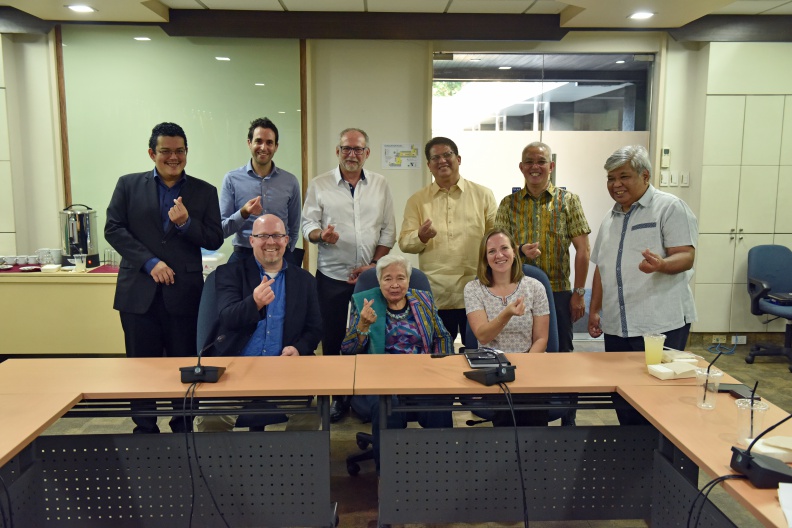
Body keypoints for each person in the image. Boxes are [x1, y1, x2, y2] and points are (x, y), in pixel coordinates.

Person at [105, 122, 223, 434]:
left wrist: (186, 224)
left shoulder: (204, 191)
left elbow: (214, 238)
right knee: (140, 366)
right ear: (152, 153)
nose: (174, 157)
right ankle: (144, 428)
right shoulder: (128, 185)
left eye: (180, 151)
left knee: (184, 365)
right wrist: (150, 262)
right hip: (137, 293)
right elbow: (113, 228)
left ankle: (182, 425)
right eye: (166, 151)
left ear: (187, 153)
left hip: (184, 295)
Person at [587, 145, 698, 424]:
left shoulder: (669, 207)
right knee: (623, 401)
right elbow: (601, 267)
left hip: (658, 327)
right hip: (617, 326)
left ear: (645, 175)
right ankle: (631, 459)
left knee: (657, 402)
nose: (616, 185)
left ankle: (657, 462)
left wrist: (662, 265)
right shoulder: (609, 219)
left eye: (623, 176)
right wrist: (595, 309)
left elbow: (686, 255)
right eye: (611, 178)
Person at [301, 127, 396, 422]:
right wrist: (320, 236)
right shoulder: (320, 184)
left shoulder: (380, 184)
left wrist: (374, 265)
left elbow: (388, 230)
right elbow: (307, 226)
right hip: (331, 277)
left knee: (369, 337)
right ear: (338, 151)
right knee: (332, 340)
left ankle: (365, 396)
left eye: (358, 149)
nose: (351, 154)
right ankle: (337, 398)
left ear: (367, 153)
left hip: (370, 278)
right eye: (346, 149)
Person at [201, 214, 322, 431]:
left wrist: (298, 348)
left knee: (312, 411)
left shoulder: (305, 281)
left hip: (283, 372)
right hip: (235, 370)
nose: (271, 242)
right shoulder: (229, 273)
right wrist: (254, 303)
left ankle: (294, 464)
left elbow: (314, 329)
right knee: (211, 419)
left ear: (286, 240)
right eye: (263, 236)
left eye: (277, 235)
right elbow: (227, 317)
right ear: (252, 241)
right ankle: (218, 466)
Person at [341, 254, 453, 471]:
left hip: (422, 376)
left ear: (408, 281)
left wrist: (440, 371)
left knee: (439, 405)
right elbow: (348, 351)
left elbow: (443, 337)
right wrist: (363, 325)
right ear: (379, 281)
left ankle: (441, 474)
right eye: (387, 279)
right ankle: (390, 479)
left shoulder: (422, 301)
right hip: (381, 380)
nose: (394, 285)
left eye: (400, 278)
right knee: (387, 408)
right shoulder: (366, 303)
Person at [494, 142, 590, 353]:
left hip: (558, 291)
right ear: (521, 167)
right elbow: (498, 248)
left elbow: (583, 250)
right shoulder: (508, 204)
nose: (534, 167)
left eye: (541, 162)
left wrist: (579, 293)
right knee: (520, 348)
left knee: (561, 350)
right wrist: (519, 250)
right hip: (517, 291)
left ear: (551, 166)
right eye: (529, 162)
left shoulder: (568, 201)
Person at [399, 136, 496, 341]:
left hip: (477, 290)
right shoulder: (417, 200)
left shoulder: (483, 195)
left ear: (458, 159)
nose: (442, 161)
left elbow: (496, 240)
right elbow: (405, 243)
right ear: (429, 165)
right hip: (436, 294)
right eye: (435, 158)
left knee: (477, 352)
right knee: (439, 356)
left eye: (447, 155)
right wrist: (421, 236)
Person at [464, 228, 550, 425]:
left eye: (504, 248)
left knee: (532, 408)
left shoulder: (535, 286)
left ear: (514, 252)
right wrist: (507, 313)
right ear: (485, 258)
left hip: (531, 364)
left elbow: (541, 339)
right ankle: (505, 452)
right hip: (492, 367)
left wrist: (523, 369)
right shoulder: (473, 289)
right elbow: (483, 336)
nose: (499, 255)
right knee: (506, 410)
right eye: (491, 251)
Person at [219, 117, 302, 266]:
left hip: (279, 255)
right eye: (258, 141)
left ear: (276, 146)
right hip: (244, 255)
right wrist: (243, 213)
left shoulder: (290, 181)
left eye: (269, 142)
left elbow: (294, 227)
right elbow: (222, 230)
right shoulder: (232, 179)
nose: (263, 147)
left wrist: (285, 250)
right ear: (249, 143)